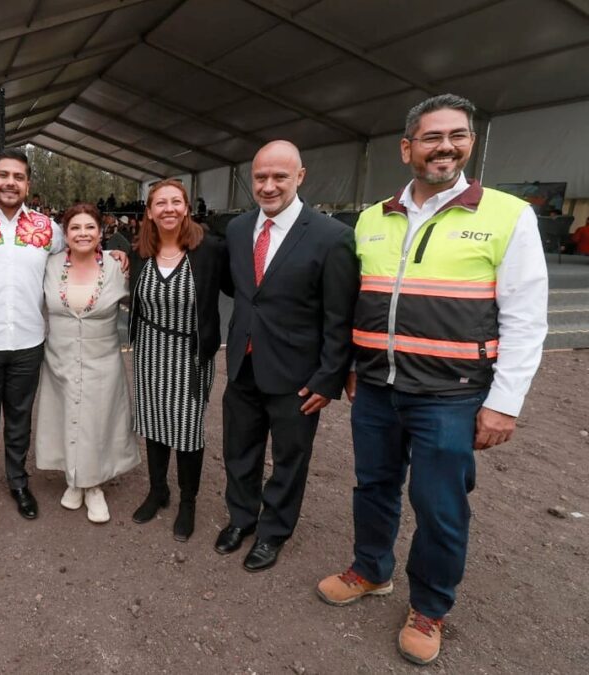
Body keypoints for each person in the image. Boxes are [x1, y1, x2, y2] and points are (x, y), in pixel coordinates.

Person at [315, 94, 548, 666]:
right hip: (375, 388)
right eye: (431, 136)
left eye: (457, 135)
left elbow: (525, 315)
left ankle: (430, 606)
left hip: (451, 395)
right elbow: (356, 302)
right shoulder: (373, 218)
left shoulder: (507, 215)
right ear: (407, 148)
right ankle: (371, 571)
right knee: (373, 487)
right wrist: (349, 365)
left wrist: (505, 402)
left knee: (440, 505)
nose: (445, 146)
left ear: (470, 142)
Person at [0, 148, 127, 536]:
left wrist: (109, 253)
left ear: (28, 184)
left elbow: (82, 250)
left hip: (29, 344)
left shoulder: (48, 229)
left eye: (19, 177)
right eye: (3, 176)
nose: (10, 182)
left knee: (19, 422)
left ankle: (17, 482)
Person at [216, 141, 359, 572]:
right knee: (239, 450)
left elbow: (339, 315)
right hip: (244, 363)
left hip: (297, 375)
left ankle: (273, 531)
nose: (269, 185)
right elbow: (239, 290)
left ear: (300, 177)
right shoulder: (239, 230)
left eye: (280, 176)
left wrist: (328, 378)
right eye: (261, 177)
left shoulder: (331, 237)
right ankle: (241, 518)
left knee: (290, 458)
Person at [129, 178, 227, 542]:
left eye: (175, 202)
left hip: (190, 354)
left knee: (187, 430)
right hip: (149, 351)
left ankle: (188, 501)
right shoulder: (140, 252)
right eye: (160, 203)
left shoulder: (210, 250)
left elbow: (242, 287)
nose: (168, 209)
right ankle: (158, 491)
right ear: (150, 212)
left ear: (186, 208)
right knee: (154, 424)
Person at [34, 203, 139, 523]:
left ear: (101, 231)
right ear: (65, 234)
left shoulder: (117, 266)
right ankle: (73, 479)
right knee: (65, 416)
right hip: (60, 357)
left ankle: (92, 486)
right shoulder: (49, 265)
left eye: (89, 227)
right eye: (75, 228)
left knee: (97, 422)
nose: (82, 233)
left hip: (102, 358)